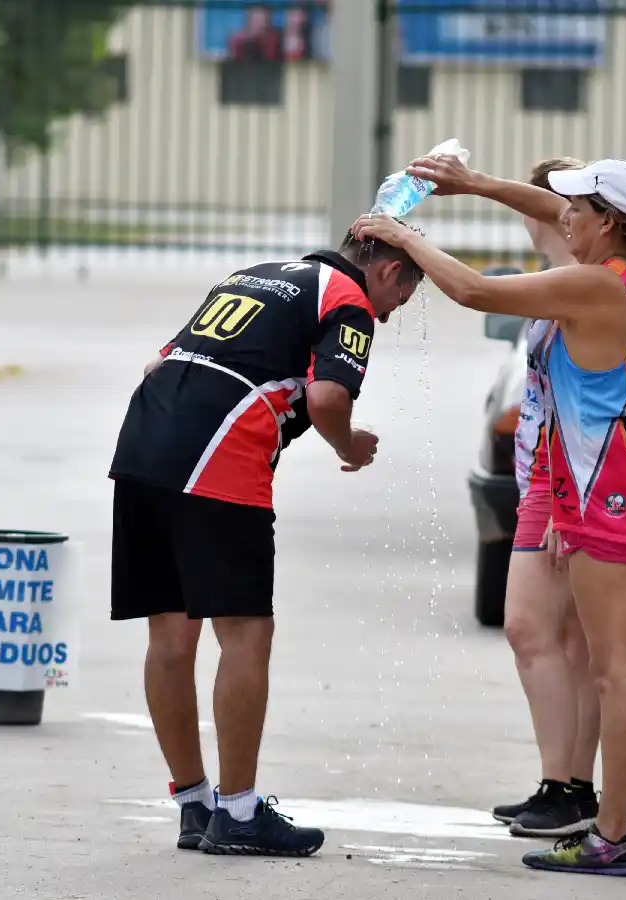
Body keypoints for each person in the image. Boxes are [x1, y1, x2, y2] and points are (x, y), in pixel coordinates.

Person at [353, 157, 626, 876]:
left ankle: (609, 836)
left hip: (605, 495)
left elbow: (473, 290)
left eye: (576, 210)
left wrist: (402, 236)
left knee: (618, 674)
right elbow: (550, 208)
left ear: (608, 222)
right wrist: (476, 185)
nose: (562, 217)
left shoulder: (592, 285)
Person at [108, 225, 424, 857]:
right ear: (389, 272)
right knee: (246, 632)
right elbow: (327, 396)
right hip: (218, 456)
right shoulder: (348, 299)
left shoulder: (253, 275)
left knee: (169, 635)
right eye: (401, 299)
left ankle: (194, 804)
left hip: (143, 440)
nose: (390, 316)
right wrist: (348, 444)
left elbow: (157, 362)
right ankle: (238, 814)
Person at [490, 157, 602, 840]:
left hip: (562, 480)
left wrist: (563, 503)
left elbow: (582, 408)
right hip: (559, 479)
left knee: (528, 628)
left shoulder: (574, 283)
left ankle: (563, 788)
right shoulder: (573, 278)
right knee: (571, 642)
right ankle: (571, 787)